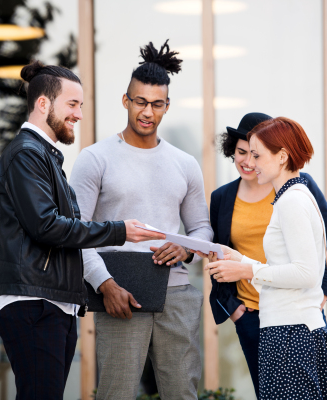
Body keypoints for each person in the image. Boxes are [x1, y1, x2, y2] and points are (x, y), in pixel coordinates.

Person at [0, 61, 164, 400]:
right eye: (72, 104)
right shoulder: (26, 154)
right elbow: (47, 226)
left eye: (80, 105)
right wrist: (119, 231)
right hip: (34, 302)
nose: (79, 115)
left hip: (50, 303)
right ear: (43, 104)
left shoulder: (44, 156)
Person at [70, 40, 212, 400]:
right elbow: (74, 233)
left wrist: (184, 247)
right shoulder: (95, 159)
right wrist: (104, 285)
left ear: (167, 106)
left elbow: (201, 228)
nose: (148, 112)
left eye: (157, 104)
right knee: (116, 393)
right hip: (119, 291)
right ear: (126, 101)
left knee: (182, 393)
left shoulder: (185, 163)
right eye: (141, 102)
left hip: (176, 292)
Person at [206, 112, 327, 396]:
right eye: (244, 153)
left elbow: (309, 268)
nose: (250, 162)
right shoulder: (287, 195)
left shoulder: (291, 198)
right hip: (271, 320)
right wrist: (239, 264)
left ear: (281, 156)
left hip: (290, 327)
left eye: (256, 155)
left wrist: (247, 270)